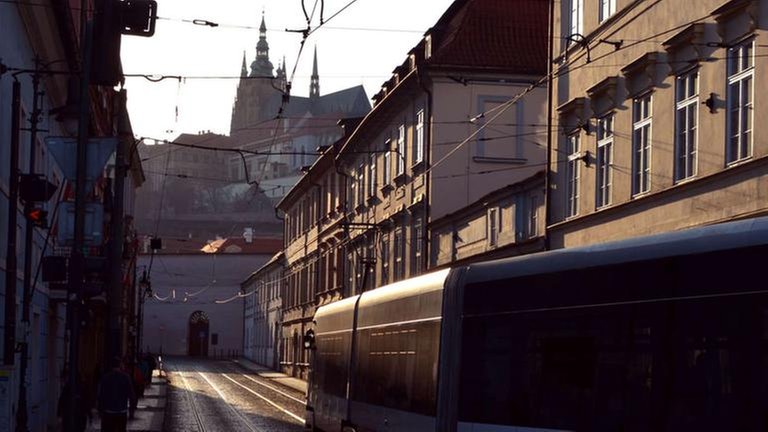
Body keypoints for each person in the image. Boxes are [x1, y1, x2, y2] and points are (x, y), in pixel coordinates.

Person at [97, 357, 135, 432]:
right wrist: (131, 409)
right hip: (121, 410)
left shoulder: (105, 378)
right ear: (120, 366)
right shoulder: (126, 377)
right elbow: (131, 394)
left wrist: (100, 410)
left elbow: (101, 395)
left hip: (108, 411)